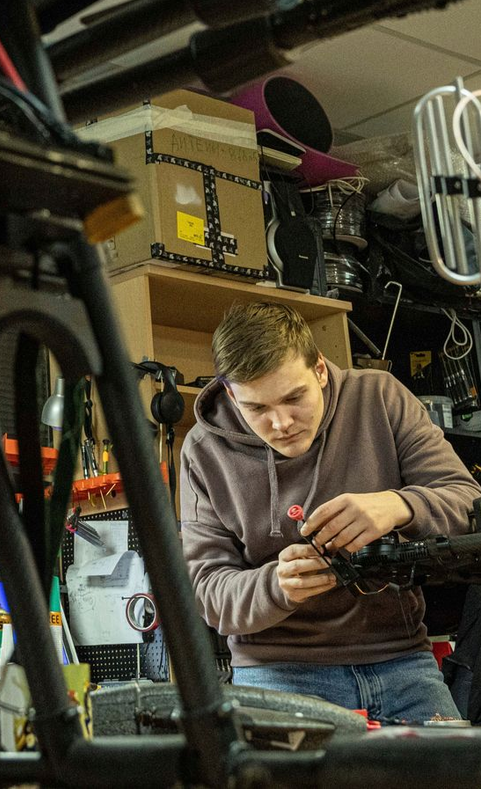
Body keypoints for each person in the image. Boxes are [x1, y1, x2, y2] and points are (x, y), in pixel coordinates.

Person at [180, 300, 479, 721]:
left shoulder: (380, 396)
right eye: (257, 409)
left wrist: (398, 505)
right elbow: (206, 591)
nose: (280, 423)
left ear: (320, 369)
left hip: (400, 657)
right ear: (231, 394)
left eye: (293, 398)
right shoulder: (203, 451)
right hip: (277, 669)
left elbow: (466, 501)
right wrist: (277, 587)